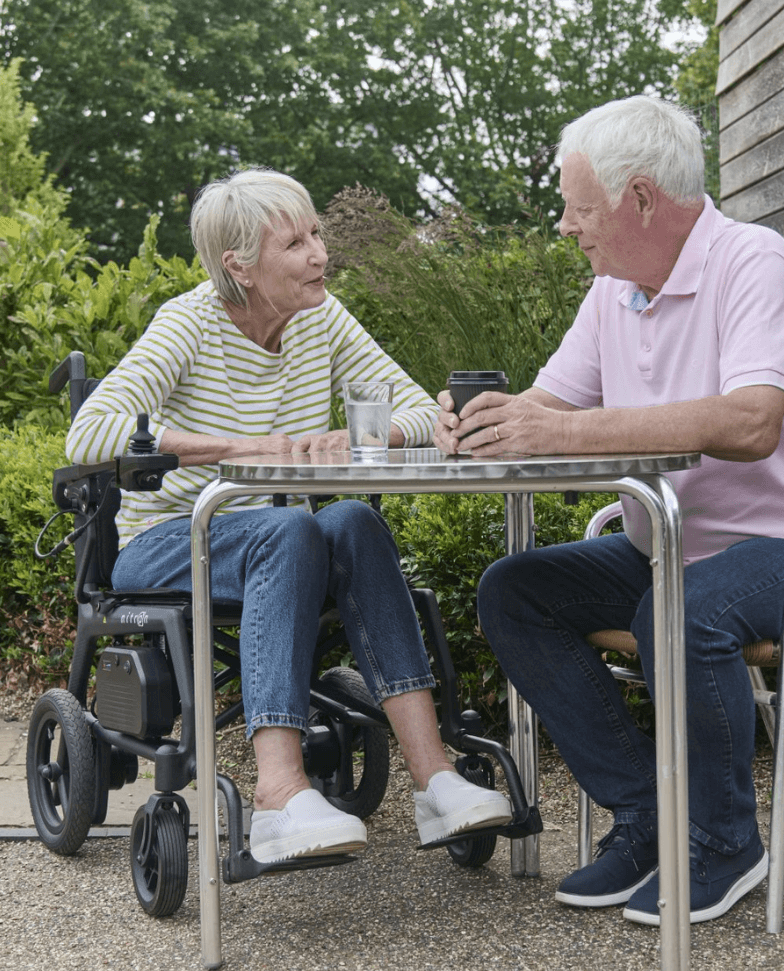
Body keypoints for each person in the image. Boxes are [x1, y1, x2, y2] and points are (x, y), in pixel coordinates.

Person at [434, 96, 784, 926]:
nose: (567, 228)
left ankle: (723, 842)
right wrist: (483, 423)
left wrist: (561, 427)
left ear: (640, 199)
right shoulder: (614, 291)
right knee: (513, 590)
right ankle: (649, 815)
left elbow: (753, 421)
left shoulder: (754, 261)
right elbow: (547, 406)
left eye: (578, 209)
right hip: (673, 552)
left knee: (676, 609)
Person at [67, 167, 511, 865]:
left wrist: (372, 436)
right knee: (294, 527)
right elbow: (90, 433)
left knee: (354, 524)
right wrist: (243, 449)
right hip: (168, 539)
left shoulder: (322, 319)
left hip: (282, 538)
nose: (319, 254)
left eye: (317, 235)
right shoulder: (188, 323)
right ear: (238, 267)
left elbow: (422, 409)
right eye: (295, 243)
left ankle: (437, 781)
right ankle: (276, 796)